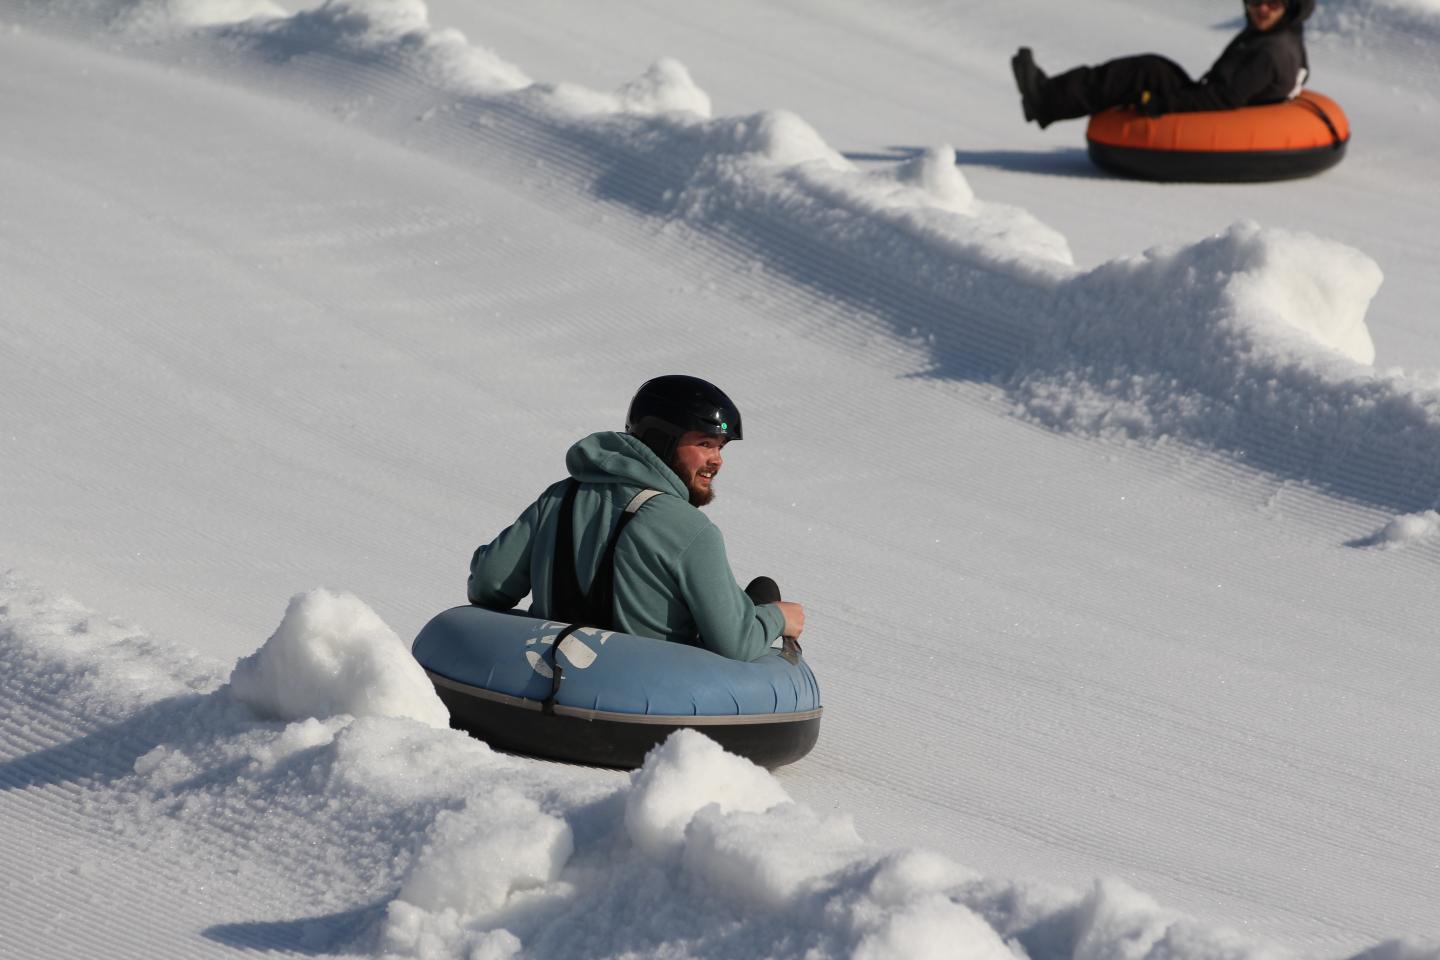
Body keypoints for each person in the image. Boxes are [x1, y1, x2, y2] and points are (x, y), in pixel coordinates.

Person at [467, 375, 805, 662]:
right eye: (704, 444)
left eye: (720, 447)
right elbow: (737, 642)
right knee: (762, 596)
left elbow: (489, 584)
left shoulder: (559, 497)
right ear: (662, 441)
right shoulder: (690, 529)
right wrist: (777, 617)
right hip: (643, 710)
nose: (717, 461)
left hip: (539, 680)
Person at [1011, 0, 1314, 129]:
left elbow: (1224, 98)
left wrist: (1158, 103)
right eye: (1255, 1)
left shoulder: (1269, 53)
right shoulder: (1279, 34)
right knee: (1153, 67)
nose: (1261, 9)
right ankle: (1049, 95)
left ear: (1290, 7)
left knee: (1141, 75)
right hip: (1220, 97)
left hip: (1222, 112)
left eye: (1273, 3)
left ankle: (1046, 100)